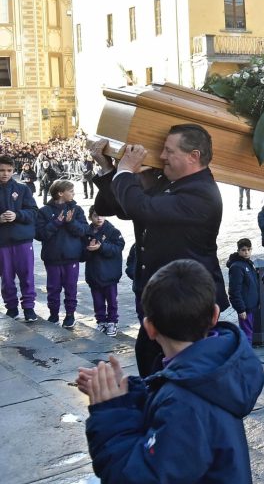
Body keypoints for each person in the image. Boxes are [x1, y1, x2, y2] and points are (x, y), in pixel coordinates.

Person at [78, 259, 264, 484]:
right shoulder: (211, 373)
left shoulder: (185, 403)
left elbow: (137, 482)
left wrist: (110, 416)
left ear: (149, 328)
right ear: (214, 315)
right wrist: (129, 395)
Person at [90, 127, 228, 376]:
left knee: (176, 373)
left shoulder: (202, 193)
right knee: (150, 363)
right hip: (158, 295)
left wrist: (124, 171)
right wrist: (109, 168)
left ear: (193, 156)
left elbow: (142, 207)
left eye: (169, 150)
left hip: (185, 301)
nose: (161, 156)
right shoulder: (169, 182)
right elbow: (117, 207)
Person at [35, 179, 88, 328]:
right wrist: (56, 222)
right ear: (60, 193)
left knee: (71, 288)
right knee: (53, 288)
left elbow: (84, 230)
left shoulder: (76, 210)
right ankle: (53, 314)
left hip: (71, 257)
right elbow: (40, 234)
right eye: (70, 191)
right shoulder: (44, 211)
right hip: (52, 258)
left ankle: (70, 315)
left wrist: (71, 222)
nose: (73, 193)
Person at [0, 153, 40, 322]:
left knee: (27, 276)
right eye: (1, 170)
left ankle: (29, 308)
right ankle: (11, 307)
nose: (5, 173)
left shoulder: (23, 189)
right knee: (6, 278)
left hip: (23, 241)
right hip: (2, 243)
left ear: (14, 170)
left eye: (9, 170)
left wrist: (18, 215)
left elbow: (33, 212)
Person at [83, 207, 125, 337]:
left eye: (102, 215)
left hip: (109, 274)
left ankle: (112, 321)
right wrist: (88, 250)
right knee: (97, 300)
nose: (99, 218)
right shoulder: (86, 232)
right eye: (96, 215)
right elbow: (82, 253)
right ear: (90, 217)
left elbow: (118, 248)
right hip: (94, 274)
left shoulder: (112, 231)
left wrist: (102, 247)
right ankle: (101, 321)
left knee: (112, 300)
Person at [225, 238, 260, 342]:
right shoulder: (236, 267)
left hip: (252, 305)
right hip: (245, 307)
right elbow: (234, 291)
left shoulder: (249, 263)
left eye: (249, 249)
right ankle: (246, 356)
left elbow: (254, 285)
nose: (247, 252)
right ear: (239, 251)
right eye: (244, 250)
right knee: (247, 335)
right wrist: (240, 309)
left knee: (249, 333)